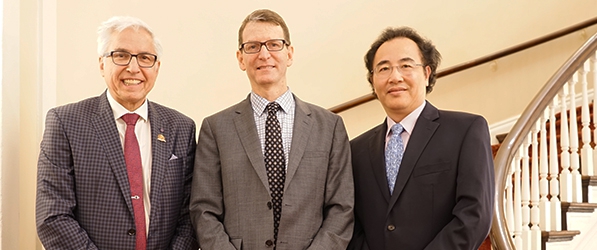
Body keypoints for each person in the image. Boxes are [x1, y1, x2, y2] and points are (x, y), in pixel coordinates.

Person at [190, 9, 354, 250]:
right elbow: (203, 210)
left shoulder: (329, 126)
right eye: (253, 46)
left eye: (274, 44)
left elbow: (341, 207)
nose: (264, 54)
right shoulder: (215, 128)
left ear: (289, 54)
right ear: (240, 58)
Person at [35, 16, 199, 249]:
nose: (134, 68)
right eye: (121, 55)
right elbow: (53, 216)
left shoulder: (181, 127)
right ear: (102, 63)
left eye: (145, 58)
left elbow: (189, 215)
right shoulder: (65, 122)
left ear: (157, 67)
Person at [348, 27, 495, 250]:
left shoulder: (466, 130)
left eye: (406, 66)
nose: (395, 77)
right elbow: (352, 224)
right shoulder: (355, 150)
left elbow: (475, 215)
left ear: (427, 74)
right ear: (373, 80)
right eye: (384, 68)